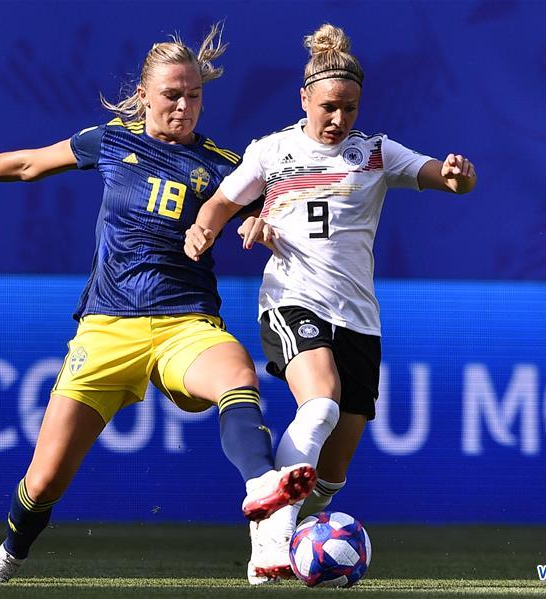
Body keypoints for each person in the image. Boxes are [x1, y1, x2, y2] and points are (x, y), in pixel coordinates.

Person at [0, 24, 316, 585]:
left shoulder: (222, 166)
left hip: (185, 324)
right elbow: (30, 164)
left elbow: (271, 217)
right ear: (144, 95)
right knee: (44, 482)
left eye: (193, 95)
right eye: (172, 94)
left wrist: (260, 227)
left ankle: (263, 491)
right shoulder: (110, 141)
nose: (184, 106)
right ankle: (11, 551)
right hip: (106, 329)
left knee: (237, 372)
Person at [184, 23, 477, 584]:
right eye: (328, 107)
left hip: (359, 321)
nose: (338, 119)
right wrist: (205, 229)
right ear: (304, 99)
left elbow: (441, 176)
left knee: (331, 477)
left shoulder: (375, 153)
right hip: (293, 302)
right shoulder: (273, 151)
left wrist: (458, 176)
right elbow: (222, 201)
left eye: (349, 107)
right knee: (318, 406)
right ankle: (270, 543)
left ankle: (276, 525)